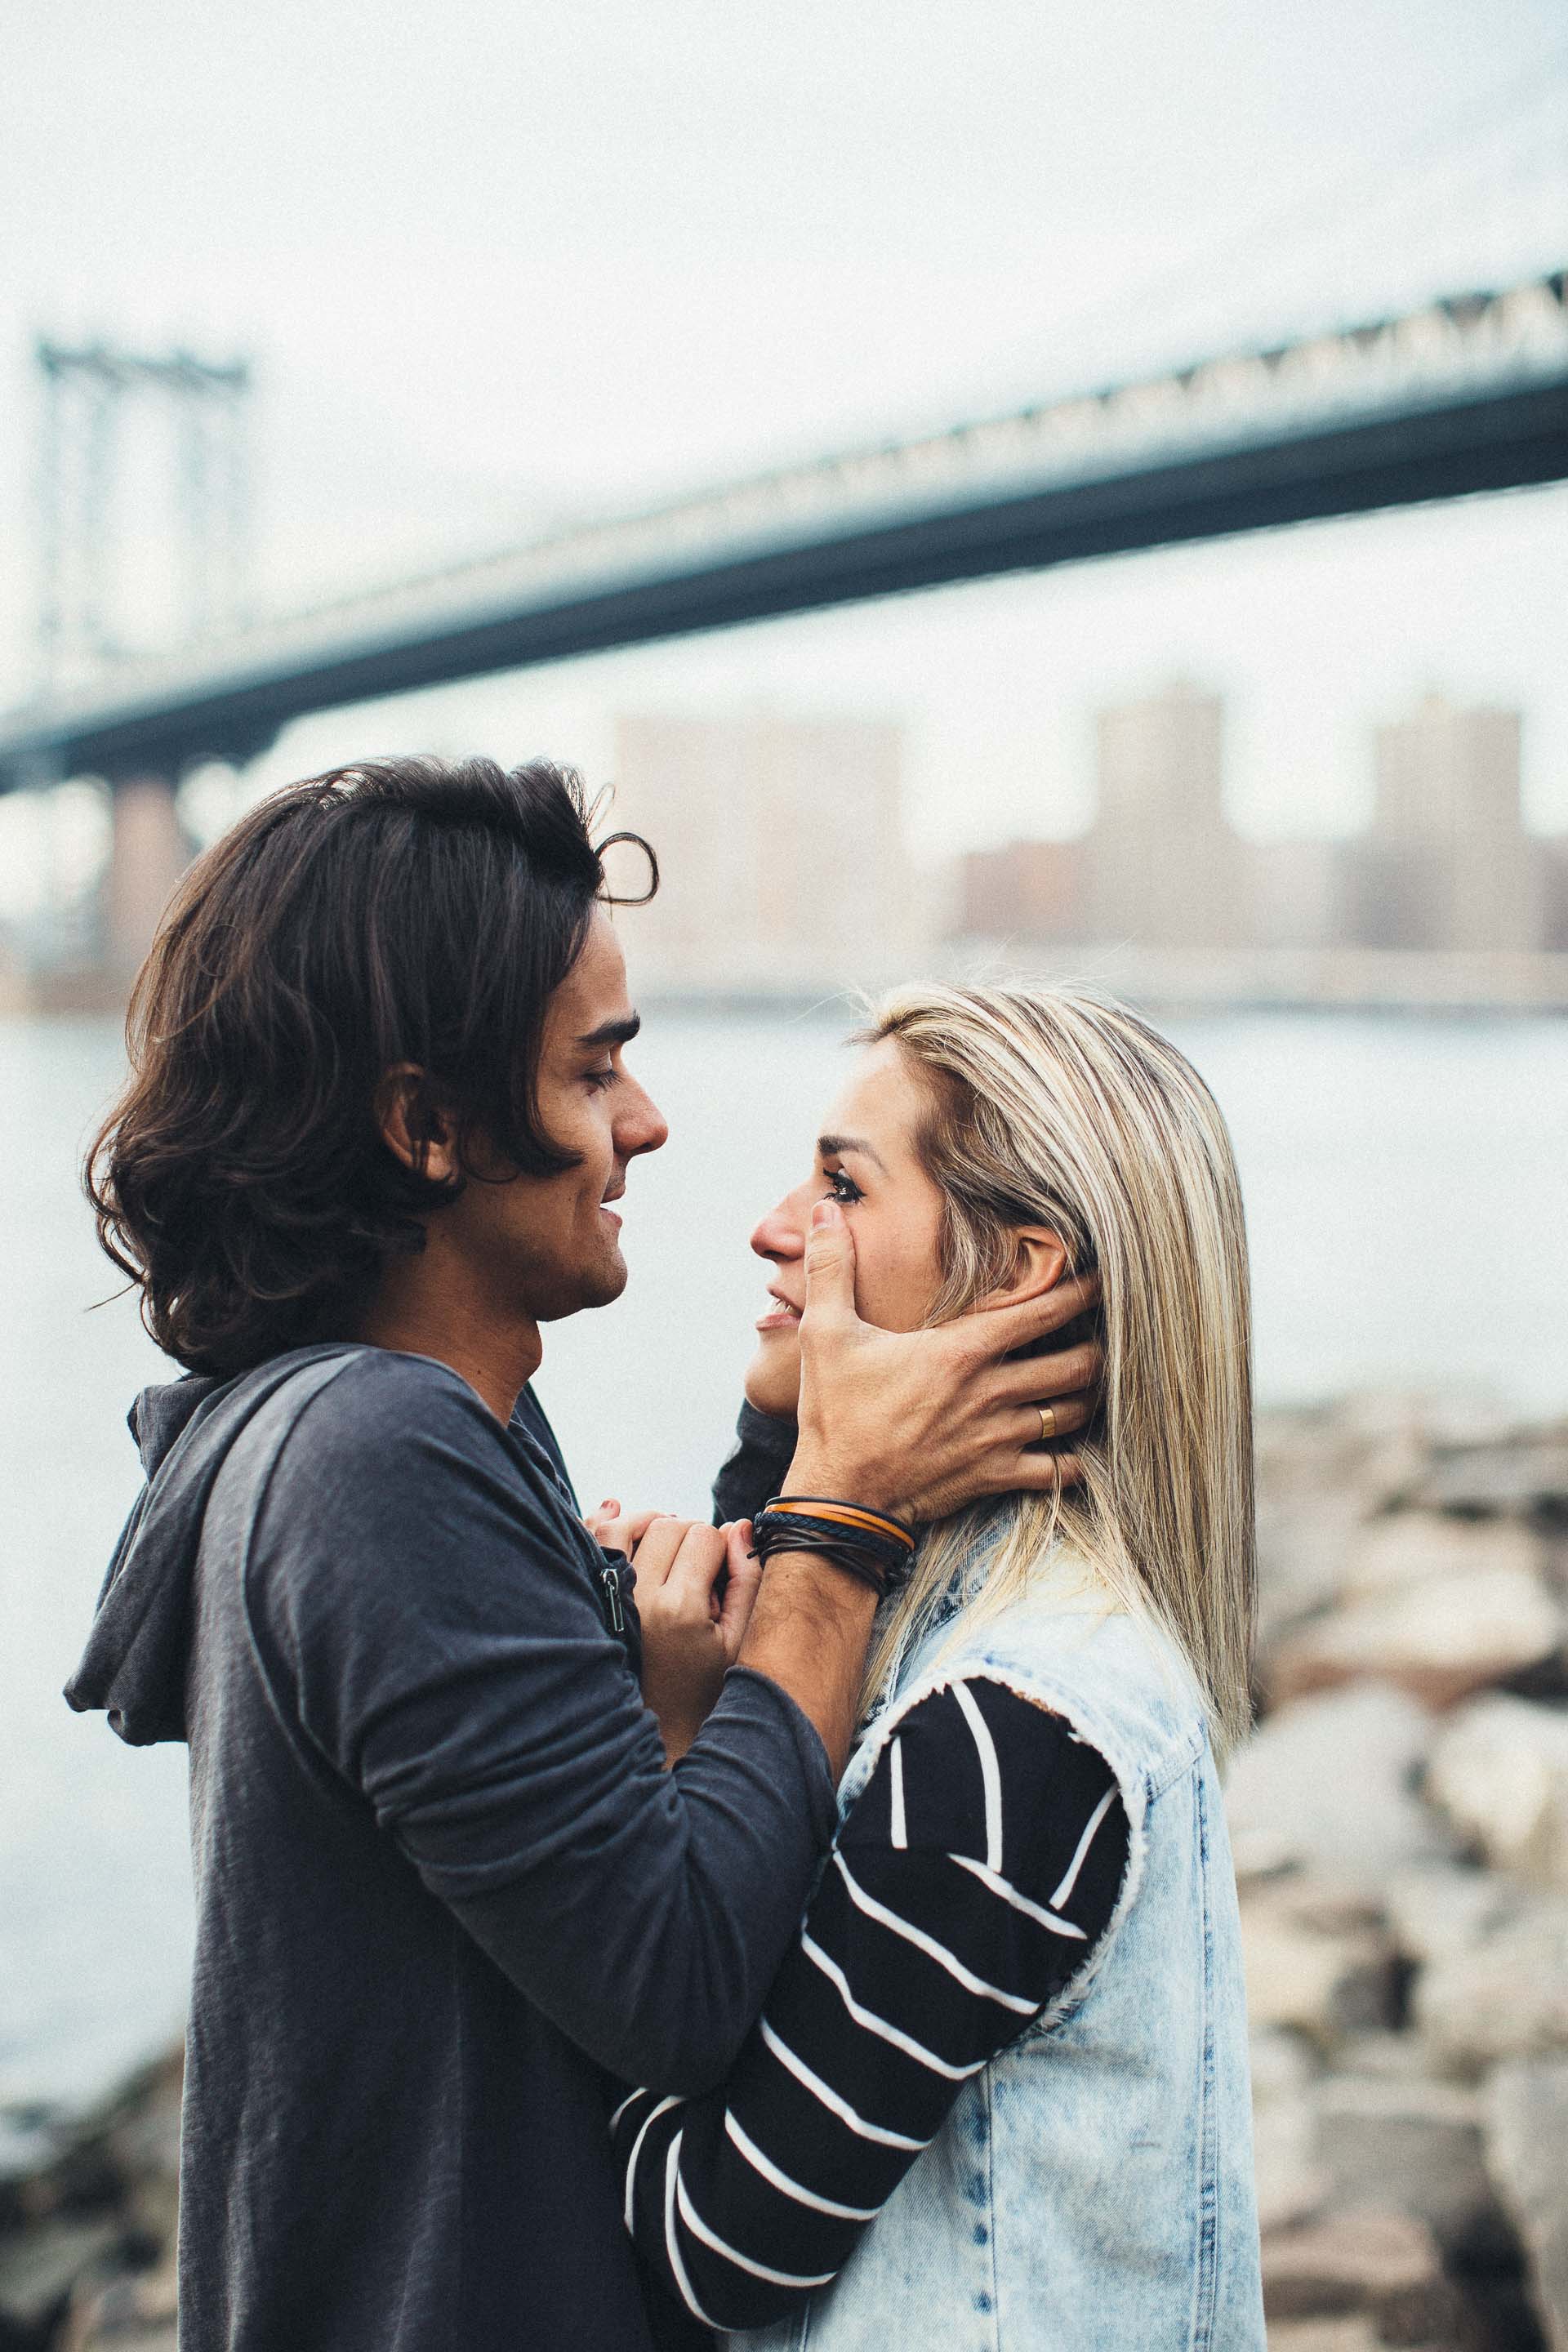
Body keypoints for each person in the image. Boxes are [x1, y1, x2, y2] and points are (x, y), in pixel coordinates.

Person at [65, 758, 1099, 2352]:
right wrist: (846, 1516)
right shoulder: (374, 1467)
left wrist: (784, 1444)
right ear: (427, 1128)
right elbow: (680, 1979)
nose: (650, 1121)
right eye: (597, 1071)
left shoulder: (406, 1429)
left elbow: (639, 1843)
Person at [611, 982, 1267, 2350]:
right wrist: (804, 1439)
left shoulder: (1012, 1735)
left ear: (1017, 1272)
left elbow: (718, 2247)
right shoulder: (984, 1635)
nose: (775, 1226)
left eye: (842, 1185)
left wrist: (614, 1834)